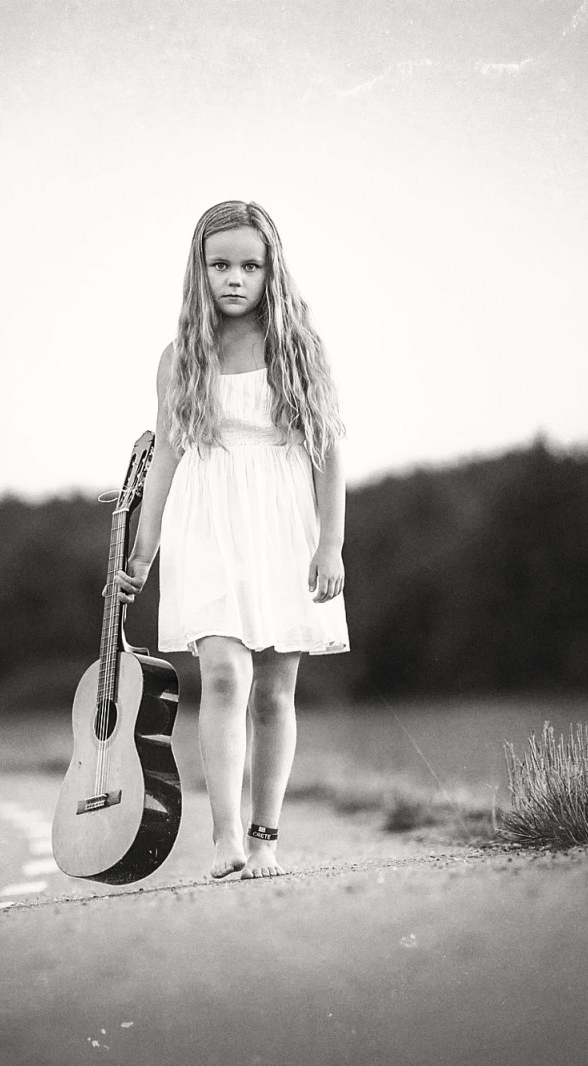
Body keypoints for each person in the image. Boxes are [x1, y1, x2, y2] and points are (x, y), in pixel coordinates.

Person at [110, 200, 349, 881]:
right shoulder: (180, 358)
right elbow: (167, 458)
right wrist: (141, 553)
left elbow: (329, 451)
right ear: (200, 270)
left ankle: (266, 836)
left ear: (272, 271)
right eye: (220, 265)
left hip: (284, 525)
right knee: (222, 672)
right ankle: (225, 837)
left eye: (250, 265)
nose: (235, 278)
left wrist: (330, 544)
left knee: (274, 693)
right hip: (206, 521)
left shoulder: (301, 349)